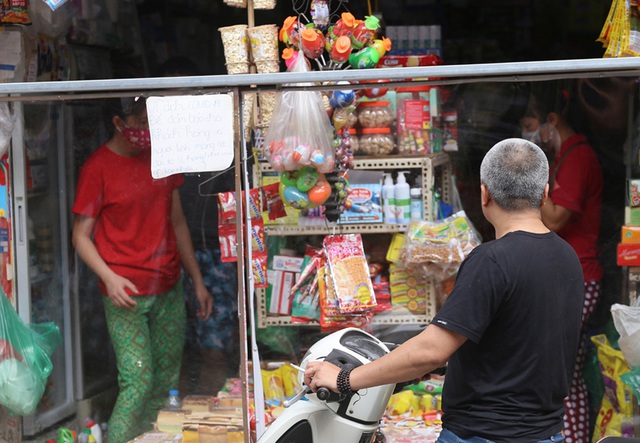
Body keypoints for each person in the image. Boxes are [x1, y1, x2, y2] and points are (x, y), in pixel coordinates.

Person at [305, 138, 585, 443]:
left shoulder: (490, 260)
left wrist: (345, 379)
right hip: (547, 435)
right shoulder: (567, 257)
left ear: (484, 194)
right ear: (544, 194)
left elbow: (431, 350)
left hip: (483, 435)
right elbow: (516, 340)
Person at [71, 96, 213, 443]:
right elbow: (80, 236)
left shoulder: (161, 158)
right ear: (119, 124)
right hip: (125, 293)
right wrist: (109, 278)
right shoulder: (97, 168)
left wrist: (197, 280)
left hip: (168, 284)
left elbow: (178, 223)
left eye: (152, 123)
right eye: (142, 122)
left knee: (167, 381)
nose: (148, 131)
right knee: (138, 380)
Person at [520, 84, 603, 443]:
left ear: (551, 121)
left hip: (580, 276)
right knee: (565, 370)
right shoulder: (565, 155)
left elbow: (554, 219)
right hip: (572, 275)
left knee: (563, 374)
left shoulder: (578, 157)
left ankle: (571, 438)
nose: (531, 132)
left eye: (532, 124)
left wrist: (523, 186)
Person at [155, 56, 240, 395]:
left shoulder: (216, 142)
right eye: (168, 98)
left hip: (215, 254)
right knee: (172, 353)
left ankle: (213, 419)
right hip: (165, 260)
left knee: (213, 350)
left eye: (184, 97)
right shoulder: (156, 150)